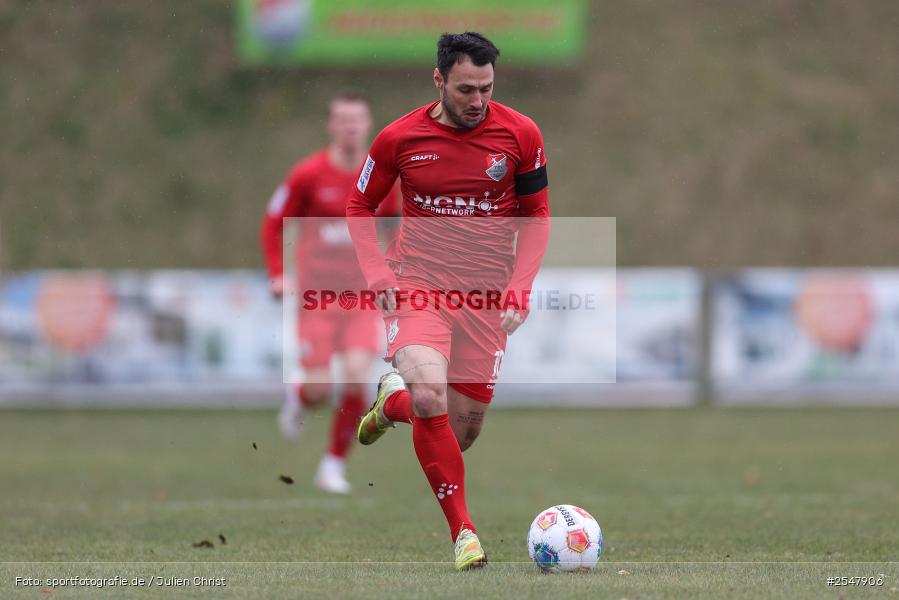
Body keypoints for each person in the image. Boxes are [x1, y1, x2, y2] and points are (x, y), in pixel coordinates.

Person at [346, 32, 551, 570]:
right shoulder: (399, 138)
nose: (477, 100)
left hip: (485, 296)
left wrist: (520, 288)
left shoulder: (521, 133)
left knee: (460, 434)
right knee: (431, 397)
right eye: (465, 89)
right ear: (439, 81)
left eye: (486, 88)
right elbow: (359, 205)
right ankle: (465, 535)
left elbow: (535, 215)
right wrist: (377, 276)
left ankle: (392, 405)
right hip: (418, 284)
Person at [260, 91, 396, 494]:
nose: (351, 127)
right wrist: (277, 274)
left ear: (368, 124)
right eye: (343, 120)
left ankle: (333, 466)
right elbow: (272, 223)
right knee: (319, 390)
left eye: (358, 119)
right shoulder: (308, 174)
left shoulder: (384, 179)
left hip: (360, 300)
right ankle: (298, 399)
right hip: (316, 299)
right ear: (331, 126)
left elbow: (396, 231)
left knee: (357, 379)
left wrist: (396, 274)